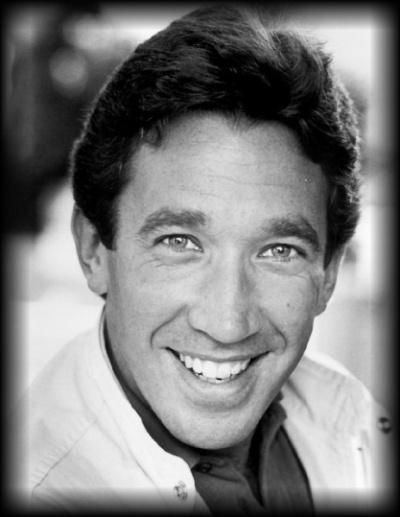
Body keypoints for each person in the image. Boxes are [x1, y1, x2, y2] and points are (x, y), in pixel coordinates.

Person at [11, 4, 393, 515]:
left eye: (279, 251)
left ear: (328, 273)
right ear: (94, 249)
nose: (227, 324)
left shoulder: (353, 421)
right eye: (179, 243)